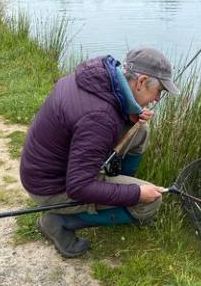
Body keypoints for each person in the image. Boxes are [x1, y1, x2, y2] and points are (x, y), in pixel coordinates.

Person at [20, 47, 179, 258]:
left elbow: (95, 126)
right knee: (151, 202)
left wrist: (129, 116)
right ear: (140, 82)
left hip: (47, 169)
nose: (158, 98)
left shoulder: (97, 79)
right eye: (159, 91)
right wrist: (137, 194)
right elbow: (79, 187)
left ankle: (117, 188)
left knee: (140, 130)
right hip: (50, 188)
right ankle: (59, 223)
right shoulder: (99, 116)